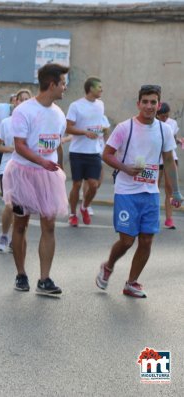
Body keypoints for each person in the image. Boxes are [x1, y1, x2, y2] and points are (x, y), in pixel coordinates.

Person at [96, 85, 182, 298]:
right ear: (138, 104)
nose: (149, 106)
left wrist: (176, 193)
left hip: (150, 192)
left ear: (158, 104)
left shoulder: (165, 130)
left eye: (153, 102)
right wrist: (125, 168)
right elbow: (106, 154)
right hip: (126, 191)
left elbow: (169, 161)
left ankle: (131, 282)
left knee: (146, 240)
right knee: (126, 241)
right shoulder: (125, 128)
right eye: (145, 101)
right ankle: (108, 265)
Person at [3, 63, 69, 296]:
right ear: (52, 84)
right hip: (23, 174)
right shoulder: (24, 111)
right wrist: (42, 162)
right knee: (21, 224)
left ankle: (45, 279)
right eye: (63, 83)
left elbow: (55, 144)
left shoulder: (59, 113)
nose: (65, 88)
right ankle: (21, 274)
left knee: (49, 224)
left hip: (47, 175)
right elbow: (20, 146)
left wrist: (58, 167)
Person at [0, 89, 32, 253]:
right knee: (10, 205)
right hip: (8, 167)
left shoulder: (34, 123)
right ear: (15, 102)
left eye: (26, 100)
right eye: (20, 99)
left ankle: (18, 236)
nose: (22, 102)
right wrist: (11, 148)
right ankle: (4, 234)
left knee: (23, 207)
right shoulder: (6, 123)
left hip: (28, 169)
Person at [66, 77, 108, 227]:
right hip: (77, 152)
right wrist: (85, 132)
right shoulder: (75, 106)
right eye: (99, 87)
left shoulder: (101, 105)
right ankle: (72, 214)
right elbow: (68, 128)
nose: (102, 90)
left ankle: (84, 207)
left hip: (94, 151)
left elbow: (102, 126)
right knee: (77, 184)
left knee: (94, 184)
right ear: (90, 88)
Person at [156, 102, 180, 229]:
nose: (165, 118)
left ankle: (169, 219)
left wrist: (179, 141)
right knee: (152, 187)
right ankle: (152, 216)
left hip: (170, 158)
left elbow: (173, 138)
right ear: (157, 114)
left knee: (170, 188)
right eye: (162, 116)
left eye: (166, 116)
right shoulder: (152, 123)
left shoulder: (173, 123)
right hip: (155, 159)